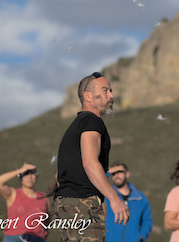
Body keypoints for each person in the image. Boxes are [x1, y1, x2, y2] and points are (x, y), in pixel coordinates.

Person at [54, 72, 129, 242]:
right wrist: (114, 199)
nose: (111, 95)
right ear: (87, 96)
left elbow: (59, 176)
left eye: (111, 90)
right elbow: (89, 163)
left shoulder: (77, 125)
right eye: (105, 91)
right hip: (82, 204)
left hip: (70, 205)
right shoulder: (91, 122)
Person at [0, 162, 49, 242]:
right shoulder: (13, 194)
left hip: (37, 238)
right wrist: (19, 171)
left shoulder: (43, 197)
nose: (29, 177)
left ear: (36, 177)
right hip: (13, 238)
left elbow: (48, 220)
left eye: (32, 174)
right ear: (20, 178)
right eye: (26, 174)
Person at [105, 161, 152, 242]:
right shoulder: (107, 196)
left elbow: (147, 221)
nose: (116, 175)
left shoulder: (140, 198)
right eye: (114, 173)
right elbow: (97, 180)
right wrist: (108, 172)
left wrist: (140, 236)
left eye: (119, 172)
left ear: (127, 174)